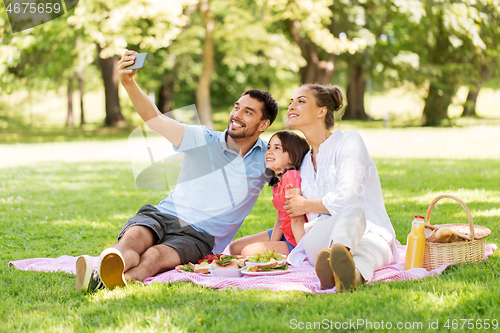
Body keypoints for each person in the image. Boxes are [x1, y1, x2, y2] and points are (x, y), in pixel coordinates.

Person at [75, 50, 279, 292]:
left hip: (200, 237)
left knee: (154, 257)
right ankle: (103, 269)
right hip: (164, 214)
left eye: (248, 112)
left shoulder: (268, 158)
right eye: (237, 107)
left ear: (263, 124)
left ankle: (112, 280)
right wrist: (128, 82)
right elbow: (156, 120)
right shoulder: (201, 137)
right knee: (133, 240)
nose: (236, 115)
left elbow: (301, 170)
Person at [284, 83, 399, 292]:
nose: (291, 106)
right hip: (320, 239)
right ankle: (339, 253)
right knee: (354, 212)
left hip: (370, 231)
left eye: (301, 101)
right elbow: (304, 213)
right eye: (291, 102)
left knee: (371, 250)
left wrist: (306, 204)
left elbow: (345, 197)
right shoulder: (304, 163)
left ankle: (347, 275)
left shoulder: (349, 141)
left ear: (321, 111)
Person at [228, 131, 310, 257]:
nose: (269, 152)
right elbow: (280, 219)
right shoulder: (278, 181)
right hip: (283, 234)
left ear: (292, 158)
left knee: (248, 252)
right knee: (234, 248)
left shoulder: (291, 176)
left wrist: (303, 253)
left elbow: (297, 219)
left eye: (277, 148)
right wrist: (272, 246)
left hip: (295, 240)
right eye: (269, 147)